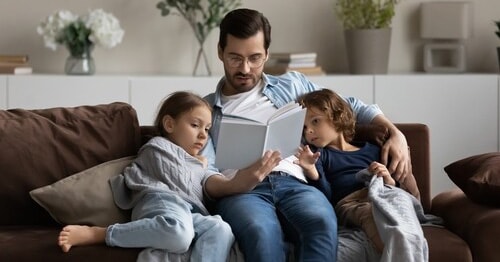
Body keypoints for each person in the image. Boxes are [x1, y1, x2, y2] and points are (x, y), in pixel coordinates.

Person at [200, 8, 412, 262]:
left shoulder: (294, 86)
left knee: (321, 222)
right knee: (260, 232)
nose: (245, 68)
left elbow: (351, 106)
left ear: (267, 54)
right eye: (235, 58)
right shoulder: (205, 111)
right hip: (244, 191)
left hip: (296, 184)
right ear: (220, 52)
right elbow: (204, 173)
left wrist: (396, 133)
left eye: (255, 58)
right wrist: (238, 182)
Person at [57, 91, 234, 262]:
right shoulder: (157, 147)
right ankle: (99, 234)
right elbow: (175, 178)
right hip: (161, 201)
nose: (203, 135)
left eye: (207, 128)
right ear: (169, 124)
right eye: (195, 125)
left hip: (186, 210)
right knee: (179, 234)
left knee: (221, 229)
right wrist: (199, 166)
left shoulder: (191, 160)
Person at [295, 89, 407, 252]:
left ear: (337, 117)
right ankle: (397, 254)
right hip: (350, 203)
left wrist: (387, 178)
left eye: (315, 121)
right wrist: (312, 170)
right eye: (304, 127)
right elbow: (326, 196)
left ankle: (407, 243)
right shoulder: (320, 156)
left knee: (400, 205)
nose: (308, 131)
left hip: (381, 194)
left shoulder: (373, 150)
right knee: (370, 213)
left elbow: (396, 187)